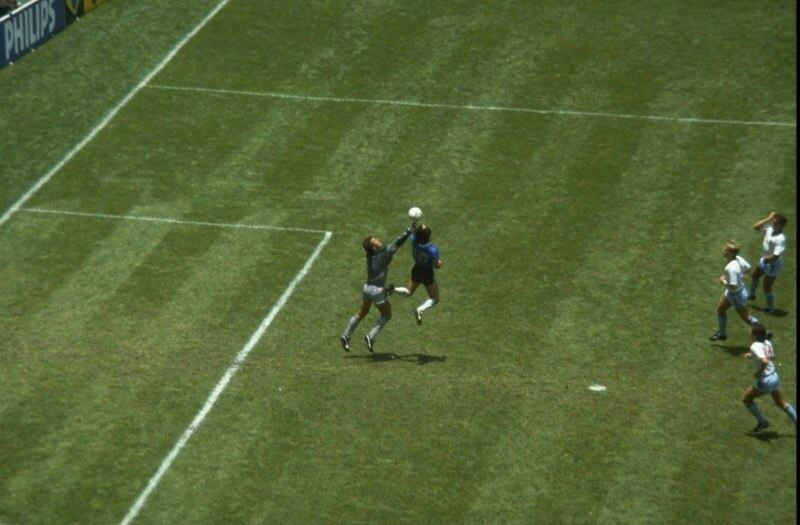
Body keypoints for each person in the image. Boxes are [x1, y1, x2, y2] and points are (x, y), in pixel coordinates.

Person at [339, 221, 416, 353]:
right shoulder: (383, 253)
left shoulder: (370, 256)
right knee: (386, 315)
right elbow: (397, 243)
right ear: (373, 247)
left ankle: (346, 336)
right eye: (375, 240)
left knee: (361, 313)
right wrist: (409, 231)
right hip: (377, 291)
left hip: (367, 288)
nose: (378, 239)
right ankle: (370, 336)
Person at [741, 323, 797, 433]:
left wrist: (759, 372)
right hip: (774, 376)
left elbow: (765, 361)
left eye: (751, 331)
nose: (749, 332)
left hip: (765, 380)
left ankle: (762, 421)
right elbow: (770, 356)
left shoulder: (755, 345)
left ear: (754, 335)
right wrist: (751, 355)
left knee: (746, 400)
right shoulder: (767, 342)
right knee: (782, 403)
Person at [391, 224, 443, 324]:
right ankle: (420, 309)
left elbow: (413, 234)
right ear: (429, 236)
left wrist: (414, 227)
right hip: (427, 274)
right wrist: (440, 263)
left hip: (417, 269)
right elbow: (437, 265)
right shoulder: (433, 250)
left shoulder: (414, 241)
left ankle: (393, 290)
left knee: (409, 292)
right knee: (435, 298)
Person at [709, 240, 760, 341]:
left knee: (745, 318)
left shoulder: (731, 268)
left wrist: (723, 280)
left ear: (731, 253)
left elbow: (733, 286)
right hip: (731, 293)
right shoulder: (738, 259)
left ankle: (763, 331)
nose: (723, 251)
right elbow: (748, 268)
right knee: (720, 309)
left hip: (737, 295)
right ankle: (722, 334)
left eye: (726, 250)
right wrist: (739, 275)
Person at [748, 212, 788, 314]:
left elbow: (776, 256)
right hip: (765, 259)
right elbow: (755, 227)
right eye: (773, 222)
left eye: (775, 223)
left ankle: (771, 308)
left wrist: (766, 260)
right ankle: (751, 295)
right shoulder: (770, 229)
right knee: (754, 276)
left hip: (773, 264)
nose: (773, 224)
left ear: (781, 225)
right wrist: (768, 218)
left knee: (766, 286)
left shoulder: (780, 238)